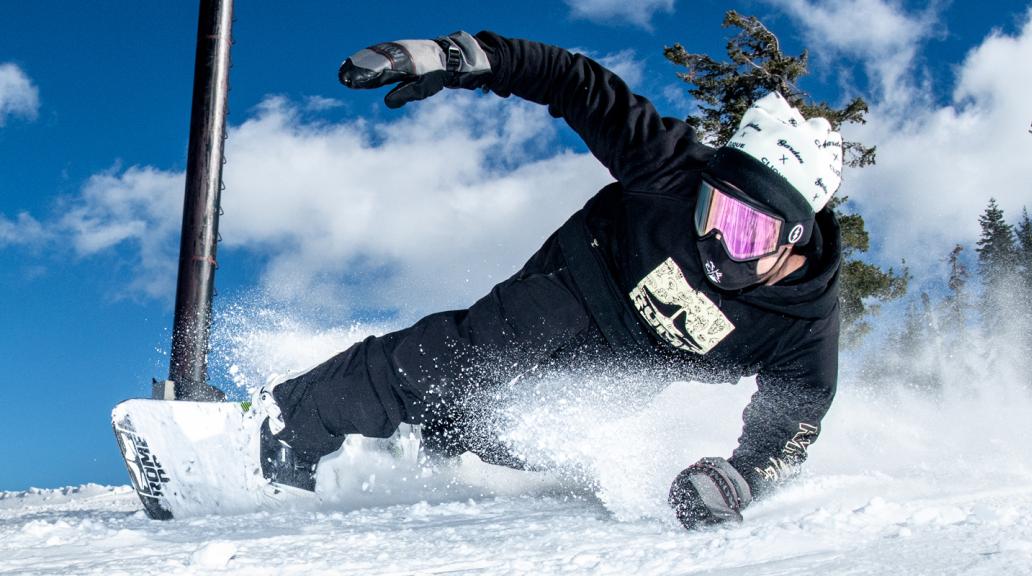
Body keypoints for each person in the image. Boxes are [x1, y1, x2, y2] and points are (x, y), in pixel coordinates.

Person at [254, 29, 844, 530]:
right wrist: (459, 56)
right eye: (711, 209)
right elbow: (576, 83)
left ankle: (428, 434)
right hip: (582, 278)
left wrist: (738, 480)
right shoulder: (669, 169)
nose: (714, 239)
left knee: (529, 434)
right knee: (463, 359)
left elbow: (790, 428)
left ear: (793, 239)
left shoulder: (802, 326)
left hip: (633, 365)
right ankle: (284, 429)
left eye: (744, 231)